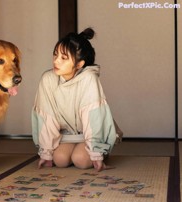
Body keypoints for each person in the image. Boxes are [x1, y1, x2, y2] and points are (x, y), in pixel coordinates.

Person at [32, 27, 123, 171]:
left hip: (89, 134)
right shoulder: (48, 79)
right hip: (66, 135)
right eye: (55, 55)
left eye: (63, 58)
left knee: (80, 160)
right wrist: (46, 153)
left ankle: (101, 151)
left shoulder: (89, 79)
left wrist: (96, 154)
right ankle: (75, 150)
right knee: (60, 160)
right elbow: (46, 116)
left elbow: (93, 118)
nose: (56, 61)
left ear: (79, 64)